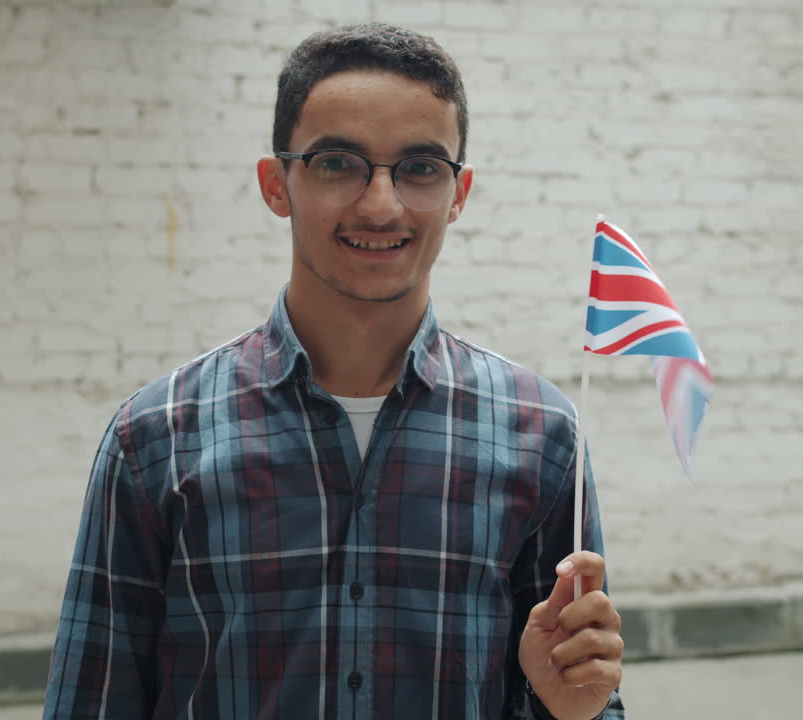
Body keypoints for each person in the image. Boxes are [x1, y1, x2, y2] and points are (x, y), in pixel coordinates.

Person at [44, 22, 625, 720]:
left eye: (419, 168)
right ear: (275, 184)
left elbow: (585, 696)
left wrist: (569, 712)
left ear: (459, 193)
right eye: (337, 163)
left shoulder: (544, 436)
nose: (381, 204)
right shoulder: (154, 439)